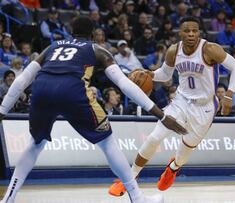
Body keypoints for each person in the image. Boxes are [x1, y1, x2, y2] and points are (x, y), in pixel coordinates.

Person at [0, 16, 188, 203]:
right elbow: (124, 84)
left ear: (71, 31)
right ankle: (138, 198)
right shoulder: (96, 49)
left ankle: (8, 198)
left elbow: (22, 80)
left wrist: (2, 110)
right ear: (92, 34)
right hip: (72, 92)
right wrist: (161, 114)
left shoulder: (52, 47)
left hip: (41, 91)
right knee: (107, 143)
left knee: (35, 144)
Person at [108, 16, 235, 197]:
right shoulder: (174, 50)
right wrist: (150, 74)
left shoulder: (210, 49)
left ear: (199, 33)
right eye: (187, 31)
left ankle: (173, 168)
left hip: (205, 108)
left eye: (195, 31)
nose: (191, 34)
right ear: (180, 33)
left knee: (185, 151)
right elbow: (165, 74)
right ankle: (130, 178)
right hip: (180, 102)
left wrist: (229, 93)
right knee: (154, 138)